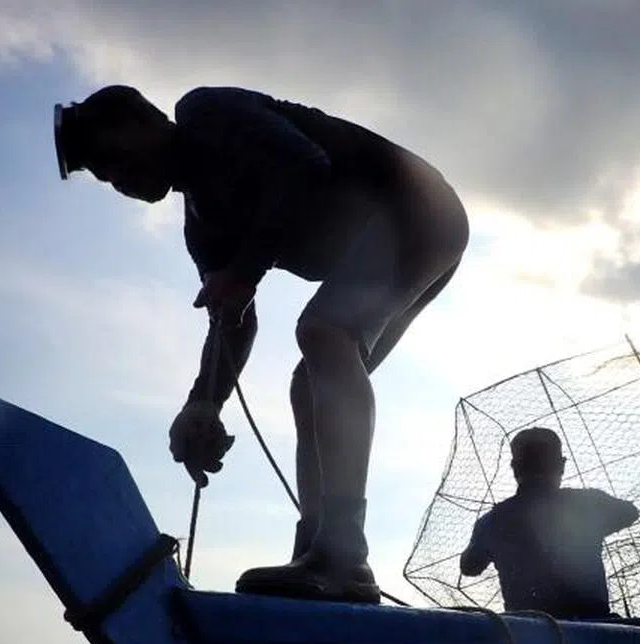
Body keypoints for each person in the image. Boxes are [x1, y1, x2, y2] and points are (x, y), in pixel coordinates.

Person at [53, 84, 470, 604]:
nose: (117, 181)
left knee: (324, 331)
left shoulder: (207, 113)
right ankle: (321, 554)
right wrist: (202, 403)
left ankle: (342, 554)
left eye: (111, 159)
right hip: (406, 235)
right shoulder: (203, 227)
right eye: (104, 177)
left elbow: (303, 164)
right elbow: (233, 321)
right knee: (309, 381)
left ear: (144, 121)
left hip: (417, 207)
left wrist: (244, 273)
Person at [459, 427, 640, 618]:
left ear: (515, 468)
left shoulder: (494, 521)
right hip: (593, 631)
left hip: (528, 637)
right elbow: (629, 513)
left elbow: (469, 567)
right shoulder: (588, 503)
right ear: (561, 465)